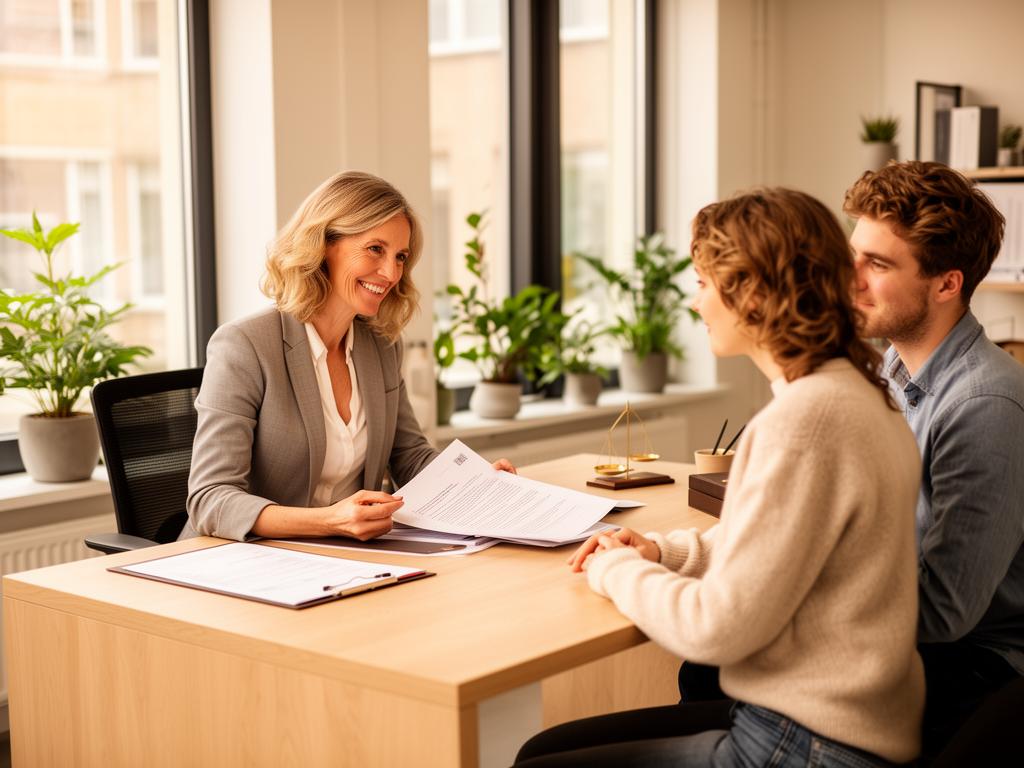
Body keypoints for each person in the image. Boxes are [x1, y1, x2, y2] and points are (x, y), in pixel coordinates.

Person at [515, 188, 924, 767]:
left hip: (808, 744)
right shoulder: (858, 395)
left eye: (704, 283)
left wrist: (615, 569)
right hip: (840, 727)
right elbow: (782, 544)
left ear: (752, 294)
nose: (695, 302)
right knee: (544, 749)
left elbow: (715, 630)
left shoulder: (804, 421)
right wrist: (663, 550)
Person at [184, 170, 513, 542]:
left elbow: (409, 455)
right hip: (245, 561)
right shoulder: (245, 346)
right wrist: (329, 521)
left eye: (400, 256)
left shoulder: (382, 345)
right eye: (375, 249)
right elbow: (209, 499)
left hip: (344, 558)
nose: (390, 272)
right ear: (324, 244)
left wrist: (475, 480)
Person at [844, 160, 1024, 757]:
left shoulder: (985, 403)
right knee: (710, 665)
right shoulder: (894, 369)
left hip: (973, 667)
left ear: (947, 284)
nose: (852, 279)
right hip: (911, 635)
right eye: (855, 255)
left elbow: (945, 612)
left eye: (877, 264)